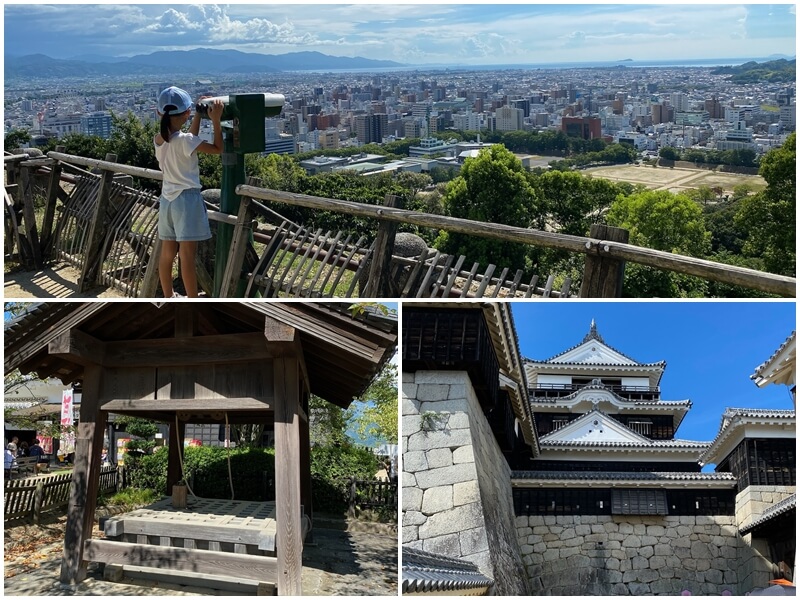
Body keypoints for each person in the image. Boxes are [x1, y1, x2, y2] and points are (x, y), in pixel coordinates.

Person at [154, 86, 224, 298]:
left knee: (167, 254)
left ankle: (169, 296)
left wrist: (198, 117)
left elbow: (186, 142)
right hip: (187, 200)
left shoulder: (159, 139)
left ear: (159, 113)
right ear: (186, 113)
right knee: (187, 256)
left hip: (167, 200)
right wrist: (216, 120)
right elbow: (217, 148)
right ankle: (193, 300)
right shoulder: (185, 141)